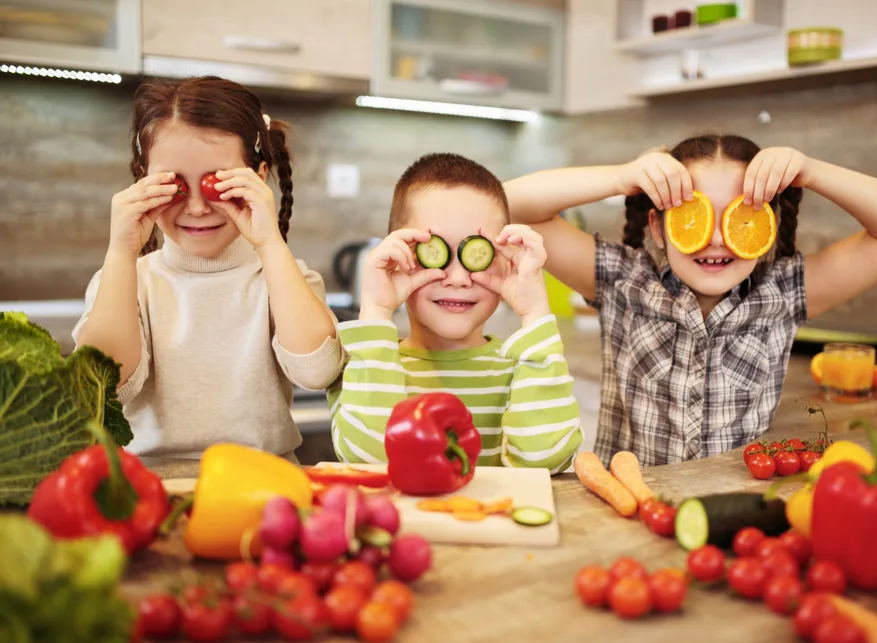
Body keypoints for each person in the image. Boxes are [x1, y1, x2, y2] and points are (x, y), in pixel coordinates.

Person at [502, 134, 877, 466]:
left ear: (766, 226)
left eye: (740, 216)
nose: (715, 238)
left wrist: (812, 171)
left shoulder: (784, 291)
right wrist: (620, 177)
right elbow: (506, 203)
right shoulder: (622, 279)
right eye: (693, 215)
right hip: (628, 509)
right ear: (658, 228)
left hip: (734, 515)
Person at [73, 76, 341, 462]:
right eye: (173, 185)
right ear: (143, 181)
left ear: (258, 178)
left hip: (263, 482)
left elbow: (316, 371)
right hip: (150, 488)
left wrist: (270, 243)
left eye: (217, 184)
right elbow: (103, 389)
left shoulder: (285, 278)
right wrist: (121, 252)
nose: (197, 208)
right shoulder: (123, 281)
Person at [328, 153, 583, 473]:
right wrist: (376, 310)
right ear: (397, 257)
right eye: (435, 251)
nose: (459, 278)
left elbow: (545, 461)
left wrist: (535, 313)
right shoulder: (365, 362)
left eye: (477, 252)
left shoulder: (526, 366)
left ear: (507, 259)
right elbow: (368, 462)